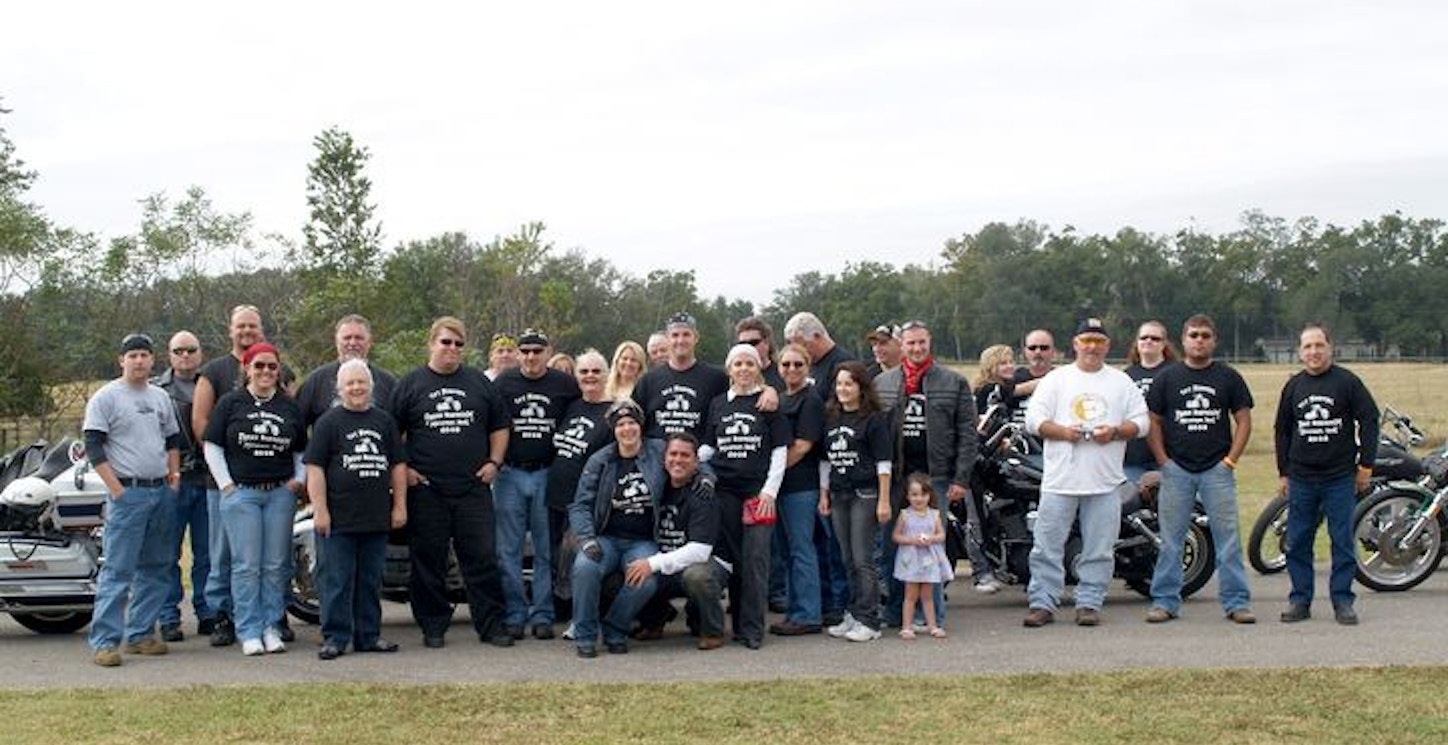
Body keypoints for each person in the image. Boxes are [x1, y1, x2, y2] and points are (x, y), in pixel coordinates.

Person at [389, 317, 515, 648]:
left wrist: (495, 462)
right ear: (431, 343)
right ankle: (433, 625)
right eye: (446, 342)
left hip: (473, 489)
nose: (453, 349)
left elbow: (500, 426)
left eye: (459, 344)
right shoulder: (410, 384)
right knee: (428, 562)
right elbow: (391, 435)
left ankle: (491, 626)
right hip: (427, 490)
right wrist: (406, 470)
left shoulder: (479, 382)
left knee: (483, 559)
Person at [1023, 318, 1149, 628]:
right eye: (1086, 340)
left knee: (1100, 548)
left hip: (1105, 482)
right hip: (1060, 480)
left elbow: (1142, 423)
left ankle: (1089, 603)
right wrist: (1064, 432)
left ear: (1107, 345)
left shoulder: (1120, 382)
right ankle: (1043, 602)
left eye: (1098, 341)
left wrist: (1117, 432)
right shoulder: (1057, 380)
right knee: (1047, 546)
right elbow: (1033, 420)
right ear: (1076, 344)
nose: (1092, 347)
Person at [192, 304, 297, 647]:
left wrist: (297, 479)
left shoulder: (287, 405)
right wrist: (227, 486)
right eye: (259, 366)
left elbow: (301, 448)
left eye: (271, 366)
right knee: (245, 565)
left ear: (278, 370)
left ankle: (271, 626)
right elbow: (212, 444)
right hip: (242, 495)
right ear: (247, 369)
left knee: (276, 564)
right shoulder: (231, 403)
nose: (265, 371)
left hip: (279, 493)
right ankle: (248, 630)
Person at [875, 320, 990, 628]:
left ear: (930, 343)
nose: (916, 348)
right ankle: (896, 612)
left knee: (930, 548)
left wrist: (960, 479)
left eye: (921, 342)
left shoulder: (952, 382)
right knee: (892, 546)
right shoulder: (884, 383)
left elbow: (968, 434)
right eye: (910, 343)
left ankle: (931, 615)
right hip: (897, 477)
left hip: (936, 477)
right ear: (902, 346)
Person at [1144, 315, 1256, 624]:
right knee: (1171, 540)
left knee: (1228, 539)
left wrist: (1230, 461)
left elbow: (1243, 420)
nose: (1199, 340)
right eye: (1193, 335)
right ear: (1183, 340)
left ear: (1214, 340)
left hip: (1216, 471)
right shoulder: (1168, 378)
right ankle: (1165, 601)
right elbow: (1152, 420)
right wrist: (1164, 461)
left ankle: (1236, 602)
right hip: (1177, 470)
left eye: (1205, 335)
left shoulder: (1228, 377)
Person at [84, 333, 182, 667]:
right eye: (133, 355)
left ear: (153, 360)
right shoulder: (106, 398)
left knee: (157, 567)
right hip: (128, 494)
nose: (139, 361)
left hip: (160, 492)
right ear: (121, 360)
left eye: (144, 355)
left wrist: (174, 478)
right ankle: (105, 642)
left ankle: (140, 635)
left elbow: (173, 439)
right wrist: (117, 490)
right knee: (118, 570)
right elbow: (94, 447)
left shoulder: (159, 397)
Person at [304, 359, 409, 659]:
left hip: (376, 517)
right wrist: (320, 509)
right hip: (339, 518)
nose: (356, 388)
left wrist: (399, 506)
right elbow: (315, 469)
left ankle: (369, 635)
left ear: (371, 386)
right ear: (340, 388)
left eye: (361, 382)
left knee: (370, 581)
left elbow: (398, 466)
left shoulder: (384, 422)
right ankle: (335, 638)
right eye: (350, 383)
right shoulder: (328, 423)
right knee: (336, 581)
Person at [1274, 324, 1378, 626]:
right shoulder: (1294, 386)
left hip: (1339, 477)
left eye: (1319, 345)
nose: (1314, 352)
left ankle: (1342, 601)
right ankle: (1300, 600)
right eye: (1307, 347)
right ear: (1300, 352)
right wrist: (1284, 472)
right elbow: (1282, 430)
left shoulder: (1347, 382)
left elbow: (1369, 420)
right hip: (1302, 477)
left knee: (1342, 540)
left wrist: (1366, 465)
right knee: (1298, 540)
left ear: (1330, 347)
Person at [699, 343, 790, 649]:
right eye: (737, 364)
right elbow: (710, 447)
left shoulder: (767, 404)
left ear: (758, 369)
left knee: (756, 559)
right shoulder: (717, 404)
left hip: (757, 494)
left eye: (749, 364)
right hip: (725, 492)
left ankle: (752, 629)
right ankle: (736, 624)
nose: (743, 369)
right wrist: (686, 461)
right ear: (729, 369)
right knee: (733, 559)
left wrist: (769, 491)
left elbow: (779, 451)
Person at [492, 328, 581, 639]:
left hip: (547, 473)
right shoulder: (504, 382)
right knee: (509, 550)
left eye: (537, 351)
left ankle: (543, 613)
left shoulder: (565, 384)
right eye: (525, 351)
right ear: (518, 353)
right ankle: (515, 613)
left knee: (545, 549)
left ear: (548, 351)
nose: (531, 356)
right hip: (510, 474)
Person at [567, 399, 663, 657]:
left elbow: (691, 461)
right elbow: (580, 505)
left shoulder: (659, 451)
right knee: (585, 567)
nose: (627, 429)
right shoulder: (600, 460)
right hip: (606, 538)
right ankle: (585, 635)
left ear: (641, 426)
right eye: (621, 424)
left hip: (643, 541)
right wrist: (587, 539)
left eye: (632, 422)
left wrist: (706, 477)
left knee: (645, 580)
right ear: (614, 429)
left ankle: (614, 629)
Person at [625, 432, 729, 650]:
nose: (678, 460)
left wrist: (652, 564)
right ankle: (655, 619)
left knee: (696, 576)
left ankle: (712, 630)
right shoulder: (657, 487)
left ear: (696, 461)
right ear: (664, 458)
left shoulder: (703, 493)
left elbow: (700, 551)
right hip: (669, 559)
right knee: (629, 570)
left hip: (708, 563)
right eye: (673, 454)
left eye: (685, 455)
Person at [819, 360, 893, 643]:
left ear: (862, 387)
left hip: (866, 494)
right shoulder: (832, 418)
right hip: (839, 494)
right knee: (847, 558)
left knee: (863, 560)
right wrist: (824, 493)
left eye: (849, 383)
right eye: (839, 384)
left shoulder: (873, 420)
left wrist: (883, 500)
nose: (843, 389)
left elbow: (883, 463)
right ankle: (854, 611)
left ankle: (870, 619)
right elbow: (825, 461)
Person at [546, 348, 614, 634]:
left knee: (580, 560)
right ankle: (561, 612)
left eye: (596, 371)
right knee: (555, 558)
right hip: (555, 496)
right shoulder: (572, 407)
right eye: (584, 372)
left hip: (585, 501)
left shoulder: (612, 412)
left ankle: (584, 620)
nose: (590, 377)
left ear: (606, 374)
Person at [153, 330, 215, 642]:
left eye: (191, 349)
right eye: (179, 350)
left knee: (207, 553)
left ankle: (207, 612)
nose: (186, 355)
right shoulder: (156, 390)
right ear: (170, 355)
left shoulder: (212, 384)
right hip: (172, 482)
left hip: (208, 480)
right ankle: (168, 617)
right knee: (167, 554)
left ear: (200, 352)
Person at [768, 343, 829, 636]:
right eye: (786, 365)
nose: (791, 369)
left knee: (802, 549)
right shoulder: (780, 399)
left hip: (801, 487)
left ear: (808, 367)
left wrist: (772, 476)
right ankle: (794, 611)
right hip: (780, 488)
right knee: (787, 551)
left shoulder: (811, 400)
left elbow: (803, 446)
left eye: (798, 364)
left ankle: (808, 614)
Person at [631, 312, 731, 440]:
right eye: (675, 335)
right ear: (667, 339)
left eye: (686, 335)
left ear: (696, 338)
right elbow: (633, 421)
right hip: (656, 455)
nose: (680, 340)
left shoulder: (717, 379)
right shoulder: (648, 381)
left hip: (698, 456)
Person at [295, 314, 399, 431]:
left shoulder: (389, 383)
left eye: (359, 338)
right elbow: (297, 425)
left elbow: (399, 429)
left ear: (369, 342)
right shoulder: (316, 381)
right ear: (336, 341)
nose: (353, 343)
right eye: (347, 338)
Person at [892, 473, 953, 640]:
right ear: (908, 496)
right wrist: (912, 540)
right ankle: (907, 626)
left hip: (929, 559)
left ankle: (932, 625)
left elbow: (941, 535)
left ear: (929, 495)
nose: (919, 499)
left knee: (928, 595)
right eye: (914, 494)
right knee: (910, 595)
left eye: (923, 494)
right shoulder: (905, 515)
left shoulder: (934, 515)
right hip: (911, 560)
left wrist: (930, 539)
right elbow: (896, 536)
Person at [1123, 320, 1178, 482]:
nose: (1148, 341)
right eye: (1143, 337)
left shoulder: (1175, 373)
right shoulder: (1126, 376)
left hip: (1168, 457)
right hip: (1133, 458)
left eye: (1155, 338)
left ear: (1164, 344)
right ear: (1137, 343)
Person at [784, 311, 855, 400]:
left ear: (817, 336)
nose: (800, 352)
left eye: (804, 345)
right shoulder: (804, 365)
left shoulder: (844, 364)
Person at [1011, 328, 1056, 425]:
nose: (1038, 352)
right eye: (1032, 348)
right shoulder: (1012, 377)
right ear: (1025, 351)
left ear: (1053, 351)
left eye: (1044, 348)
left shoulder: (1063, 378)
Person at [736, 316, 785, 390]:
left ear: (767, 342)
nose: (748, 347)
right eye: (743, 344)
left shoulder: (783, 374)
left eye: (753, 343)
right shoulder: (734, 377)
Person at [971, 344, 1017, 414]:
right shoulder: (992, 389)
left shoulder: (981, 385)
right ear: (991, 366)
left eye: (1011, 362)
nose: (1010, 366)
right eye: (1003, 363)